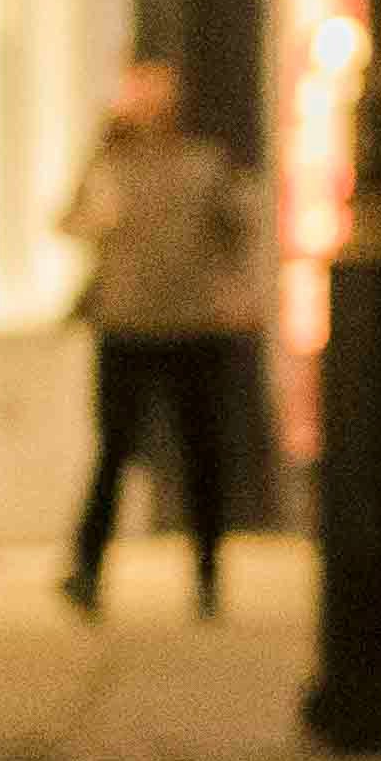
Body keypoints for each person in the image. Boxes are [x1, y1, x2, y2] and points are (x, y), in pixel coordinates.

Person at [59, 65, 271, 621]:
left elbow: (241, 229)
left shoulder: (205, 166)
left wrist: (243, 294)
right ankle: (86, 569)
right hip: (127, 327)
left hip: (192, 328)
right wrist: (94, 158)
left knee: (203, 454)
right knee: (113, 452)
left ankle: (206, 575)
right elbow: (70, 220)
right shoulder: (112, 166)